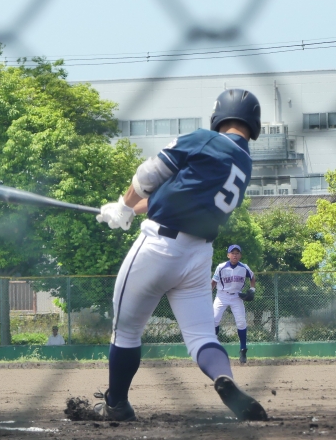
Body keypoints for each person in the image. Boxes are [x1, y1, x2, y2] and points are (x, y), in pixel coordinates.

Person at [93, 88, 268, 422]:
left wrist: (124, 205)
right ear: (253, 125)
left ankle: (116, 404)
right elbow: (177, 195)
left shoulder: (205, 139)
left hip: (158, 246)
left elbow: (148, 175)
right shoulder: (243, 163)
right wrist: (125, 209)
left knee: (126, 332)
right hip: (198, 256)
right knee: (202, 336)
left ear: (219, 116)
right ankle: (223, 377)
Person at [212, 244, 256, 364]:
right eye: (232, 253)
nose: (235, 255)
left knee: (241, 322)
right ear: (228, 255)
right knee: (214, 320)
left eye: (237, 253)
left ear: (240, 255)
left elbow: (252, 277)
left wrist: (252, 289)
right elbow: (213, 282)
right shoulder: (221, 267)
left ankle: (243, 349)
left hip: (237, 296)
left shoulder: (244, 267)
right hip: (222, 296)